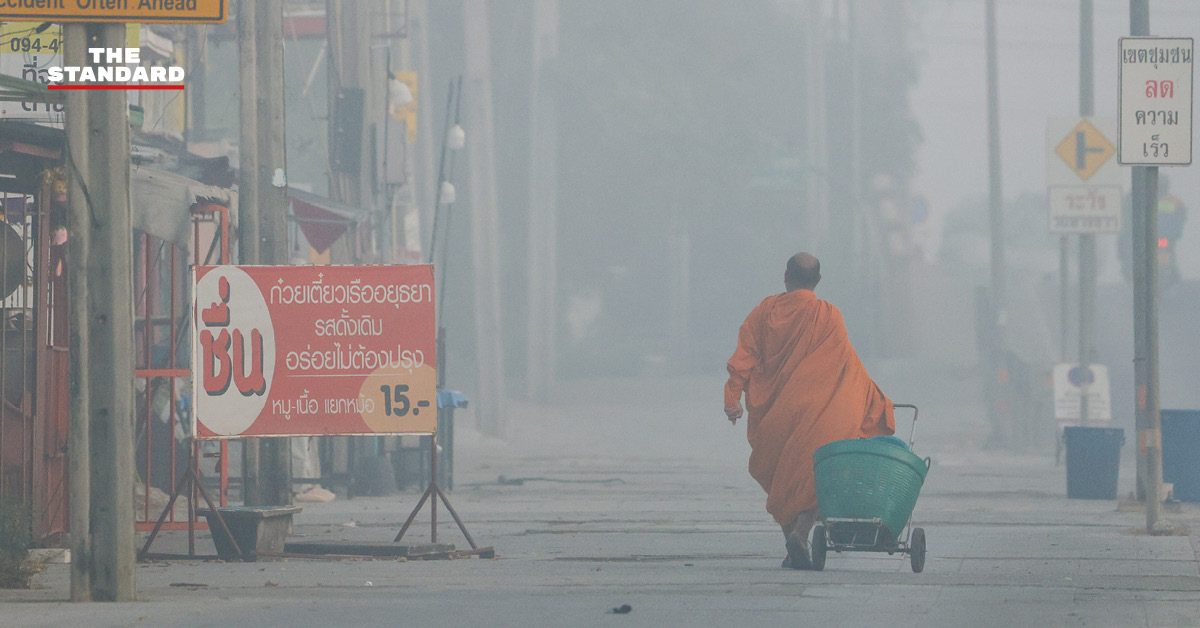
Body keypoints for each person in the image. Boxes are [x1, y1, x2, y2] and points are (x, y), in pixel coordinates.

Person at [724, 252, 896, 569]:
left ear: (785, 277)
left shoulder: (764, 312)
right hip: (823, 412)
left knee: (783, 480)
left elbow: (744, 356)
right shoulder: (829, 314)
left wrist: (732, 398)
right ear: (817, 282)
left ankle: (794, 544)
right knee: (820, 474)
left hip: (778, 413)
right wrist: (874, 398)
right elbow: (849, 367)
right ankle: (801, 532)